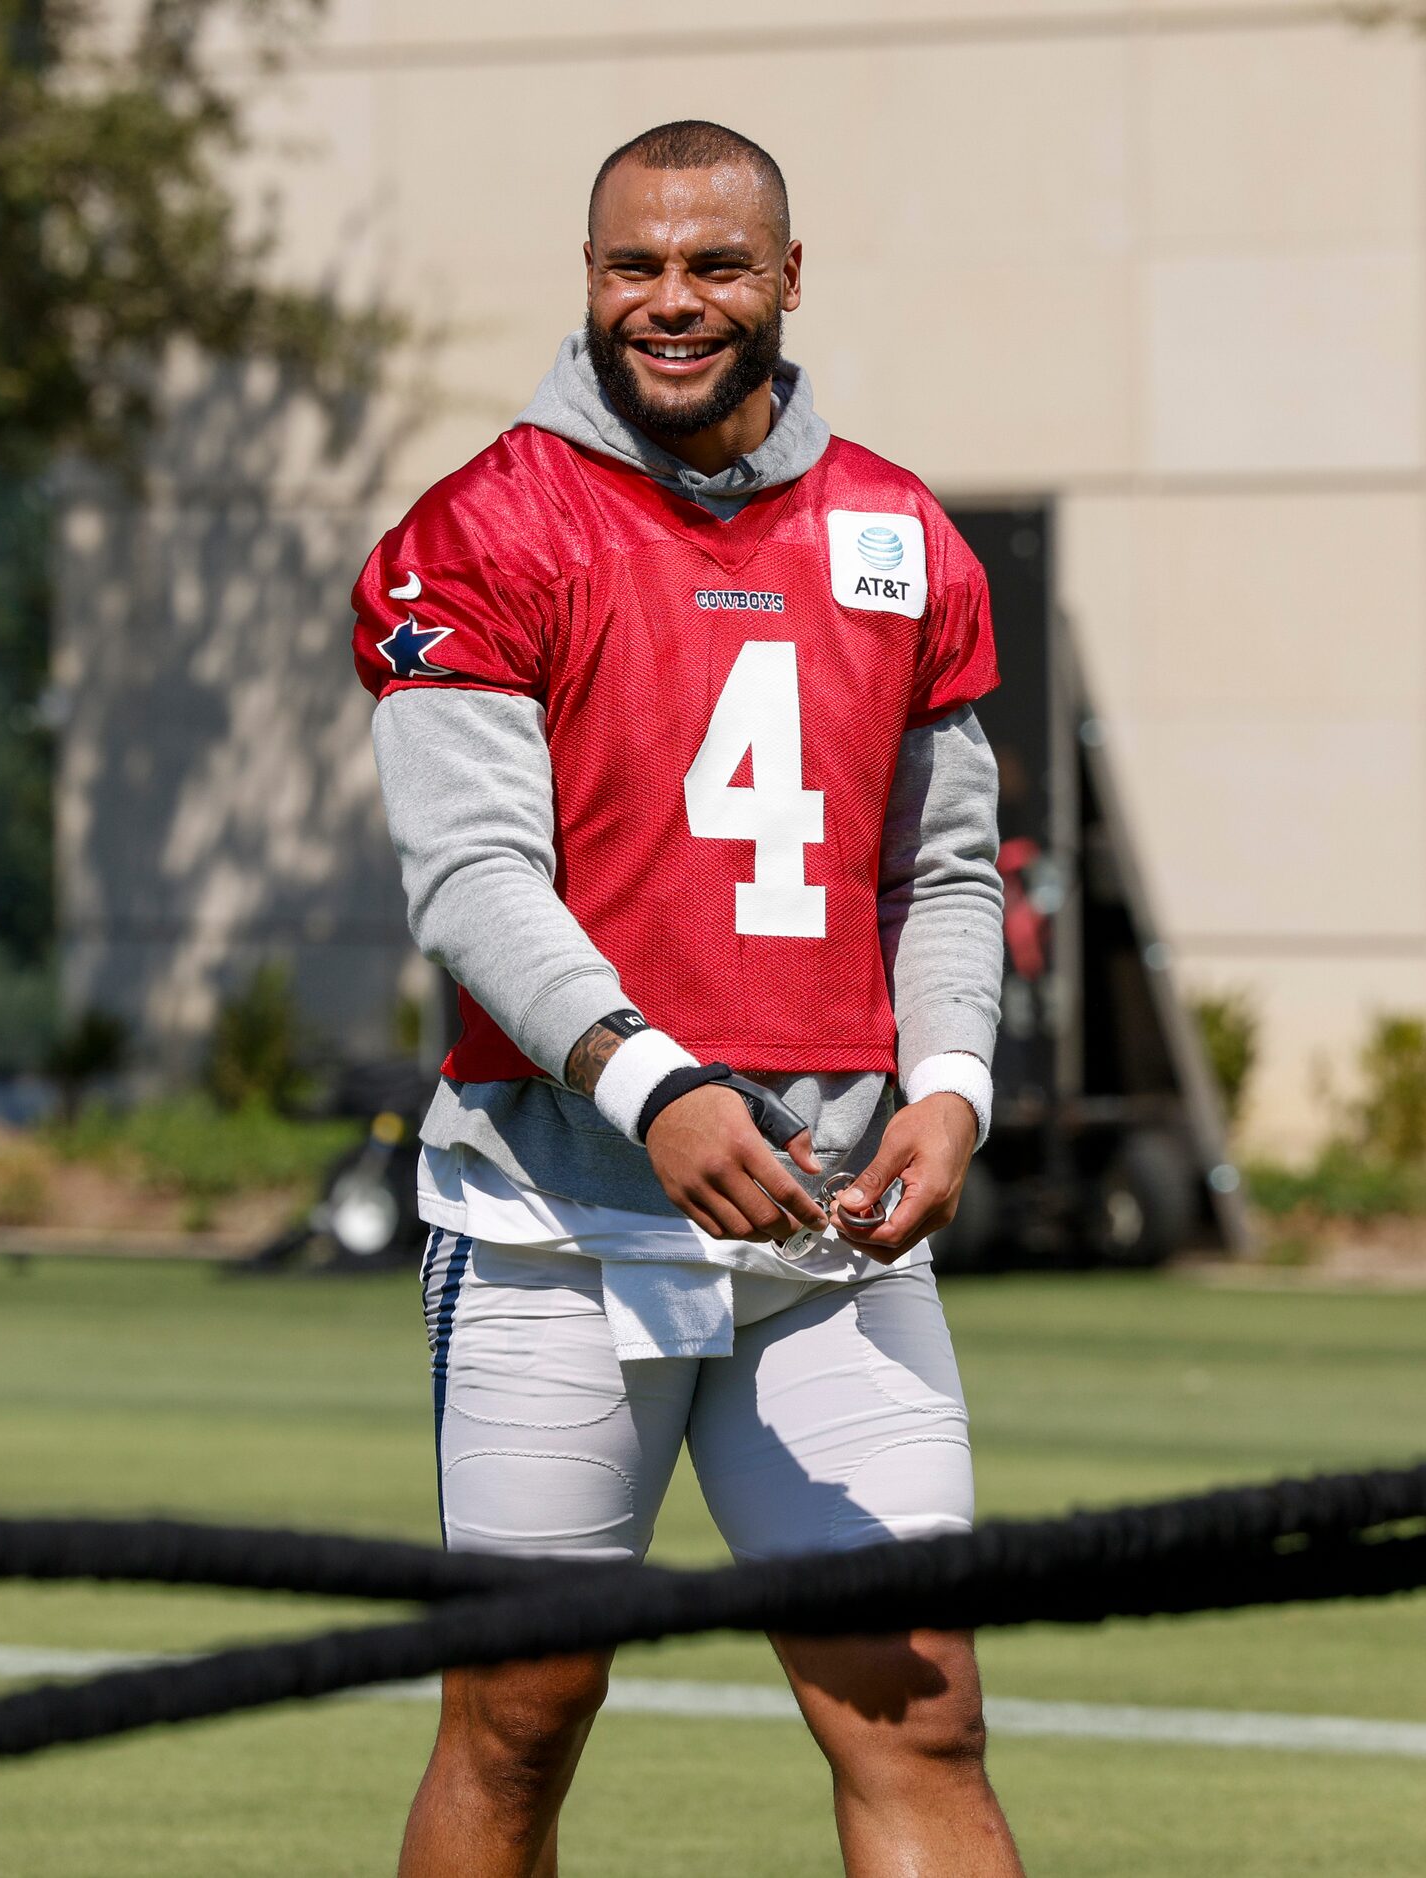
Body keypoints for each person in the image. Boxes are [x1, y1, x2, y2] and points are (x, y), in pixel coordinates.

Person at [354, 120, 1024, 1876]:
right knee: (520, 1707)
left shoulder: (895, 534)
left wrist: (948, 1081)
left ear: (788, 279)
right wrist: (653, 1083)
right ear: (587, 278)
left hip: (828, 1228)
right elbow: (472, 878)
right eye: (632, 266)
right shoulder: (484, 525)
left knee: (920, 1695)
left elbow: (941, 871)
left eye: (716, 265)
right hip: (555, 1218)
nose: (672, 302)